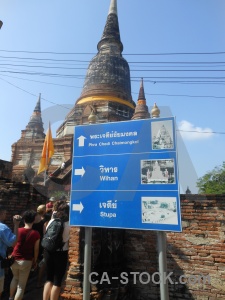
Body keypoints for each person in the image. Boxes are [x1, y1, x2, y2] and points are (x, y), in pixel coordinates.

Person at [9, 210, 40, 300]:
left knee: (15, 278)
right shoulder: (36, 233)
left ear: (24, 220)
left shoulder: (18, 230)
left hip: (14, 258)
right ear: (33, 220)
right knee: (21, 286)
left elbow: (12, 243)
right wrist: (35, 260)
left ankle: (10, 297)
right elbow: (36, 249)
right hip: (26, 260)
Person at [43, 201, 70, 300]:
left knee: (49, 278)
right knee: (57, 281)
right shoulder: (68, 224)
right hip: (61, 252)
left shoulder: (52, 221)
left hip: (48, 251)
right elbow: (67, 239)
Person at [0, 205, 21, 300]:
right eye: (4, 213)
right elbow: (13, 243)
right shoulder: (2, 228)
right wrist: (16, 225)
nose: (5, 215)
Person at [32, 204, 48, 288]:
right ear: (44, 210)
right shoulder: (44, 221)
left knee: (34, 260)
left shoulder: (33, 219)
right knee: (42, 262)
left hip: (32, 241)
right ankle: (39, 281)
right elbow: (45, 233)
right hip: (40, 242)